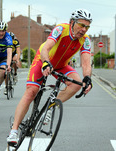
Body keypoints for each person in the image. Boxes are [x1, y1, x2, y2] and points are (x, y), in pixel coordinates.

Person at [7, 8, 93, 144]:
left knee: (77, 83)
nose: (84, 29)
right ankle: (14, 130)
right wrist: (46, 63)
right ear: (72, 22)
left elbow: (86, 63)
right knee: (31, 92)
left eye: (87, 27)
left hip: (61, 65)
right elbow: (46, 48)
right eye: (81, 25)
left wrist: (87, 78)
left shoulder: (85, 40)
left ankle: (51, 106)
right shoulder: (60, 29)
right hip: (43, 60)